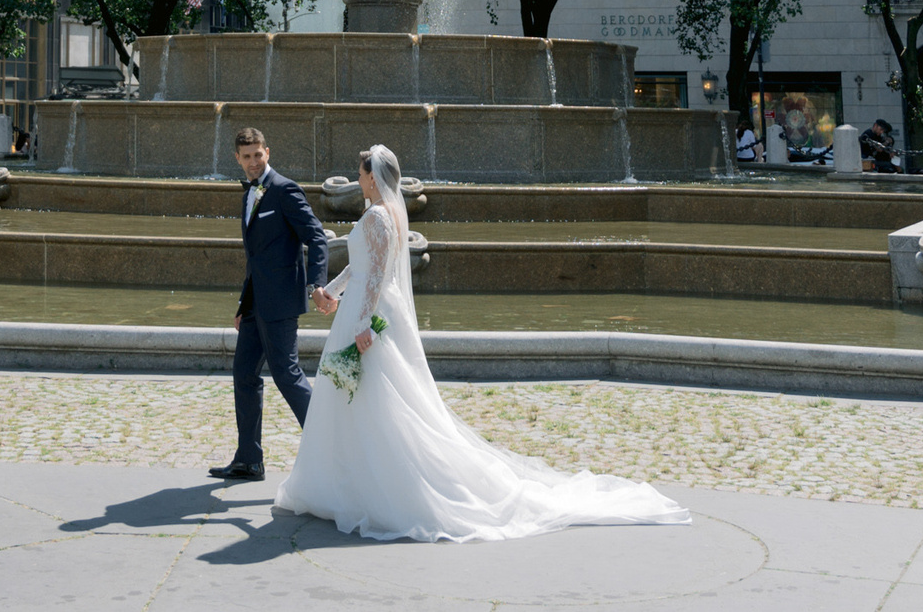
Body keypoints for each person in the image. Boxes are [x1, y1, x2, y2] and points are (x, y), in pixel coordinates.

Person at [275, 143, 689, 542]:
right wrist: (332, 292)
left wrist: (364, 322)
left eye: (362, 173)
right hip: (361, 310)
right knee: (356, 395)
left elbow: (379, 274)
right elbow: (360, 267)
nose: (358, 178)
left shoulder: (381, 218)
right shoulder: (379, 213)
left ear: (371, 178)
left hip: (371, 316)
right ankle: (347, 482)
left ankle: (382, 487)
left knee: (382, 398)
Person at [209, 127, 331, 484]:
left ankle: (330, 448)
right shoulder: (248, 192)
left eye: (257, 155)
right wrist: (242, 302)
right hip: (254, 304)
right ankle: (249, 460)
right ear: (237, 159)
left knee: (287, 375)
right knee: (244, 374)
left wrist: (317, 284)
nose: (252, 162)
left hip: (280, 303)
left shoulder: (284, 189)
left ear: (267, 152)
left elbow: (316, 236)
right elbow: (257, 256)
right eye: (245, 157)